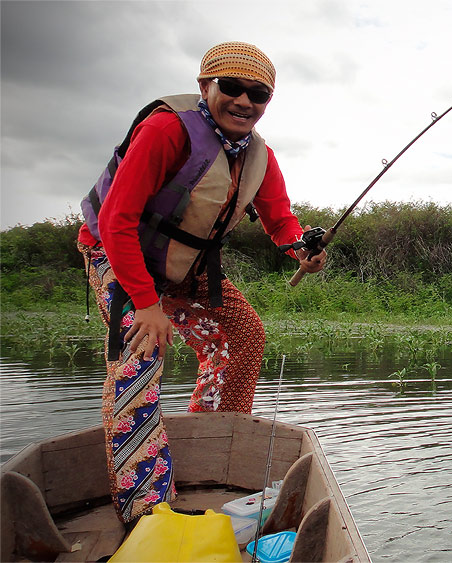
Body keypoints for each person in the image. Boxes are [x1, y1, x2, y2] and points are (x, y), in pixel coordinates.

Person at [76, 41, 326, 523]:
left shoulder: (260, 155)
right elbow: (116, 220)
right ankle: (145, 508)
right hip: (116, 251)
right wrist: (147, 305)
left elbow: (281, 221)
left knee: (242, 335)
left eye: (259, 94)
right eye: (231, 87)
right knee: (140, 349)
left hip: (184, 270)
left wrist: (301, 249)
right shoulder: (166, 130)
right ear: (205, 86)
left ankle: (209, 450)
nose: (245, 101)